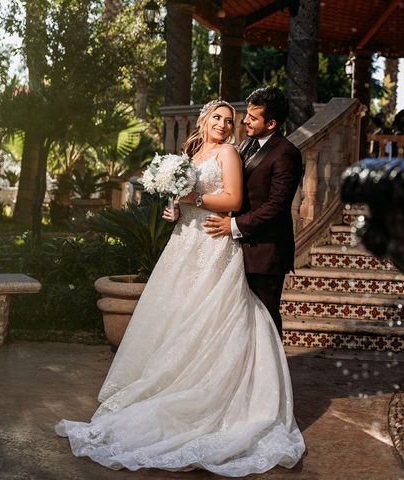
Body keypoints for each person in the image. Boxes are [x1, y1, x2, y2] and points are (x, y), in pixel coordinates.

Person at [55, 99, 306, 477]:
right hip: (184, 242)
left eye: (231, 120)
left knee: (213, 319)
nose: (224, 124)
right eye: (217, 117)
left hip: (213, 243)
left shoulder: (229, 154)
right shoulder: (191, 152)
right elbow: (184, 200)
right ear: (203, 120)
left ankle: (224, 398)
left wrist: (193, 199)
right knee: (175, 318)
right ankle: (165, 387)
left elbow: (234, 200)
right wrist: (176, 208)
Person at [204, 86, 303, 338]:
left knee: (265, 320)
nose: (244, 120)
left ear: (271, 123)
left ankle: (270, 375)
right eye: (247, 114)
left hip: (265, 252)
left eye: (253, 117)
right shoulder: (246, 144)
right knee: (239, 321)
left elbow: (276, 206)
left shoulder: (287, 153)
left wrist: (234, 225)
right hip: (236, 250)